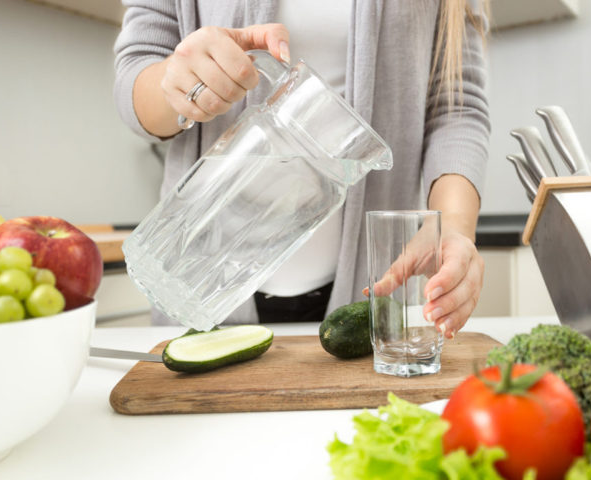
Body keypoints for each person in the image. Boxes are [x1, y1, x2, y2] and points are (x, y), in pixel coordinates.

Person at [114, 0, 490, 339]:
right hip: (191, 283)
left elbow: (457, 107)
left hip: (365, 304)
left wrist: (453, 226)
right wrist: (179, 82)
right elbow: (136, 79)